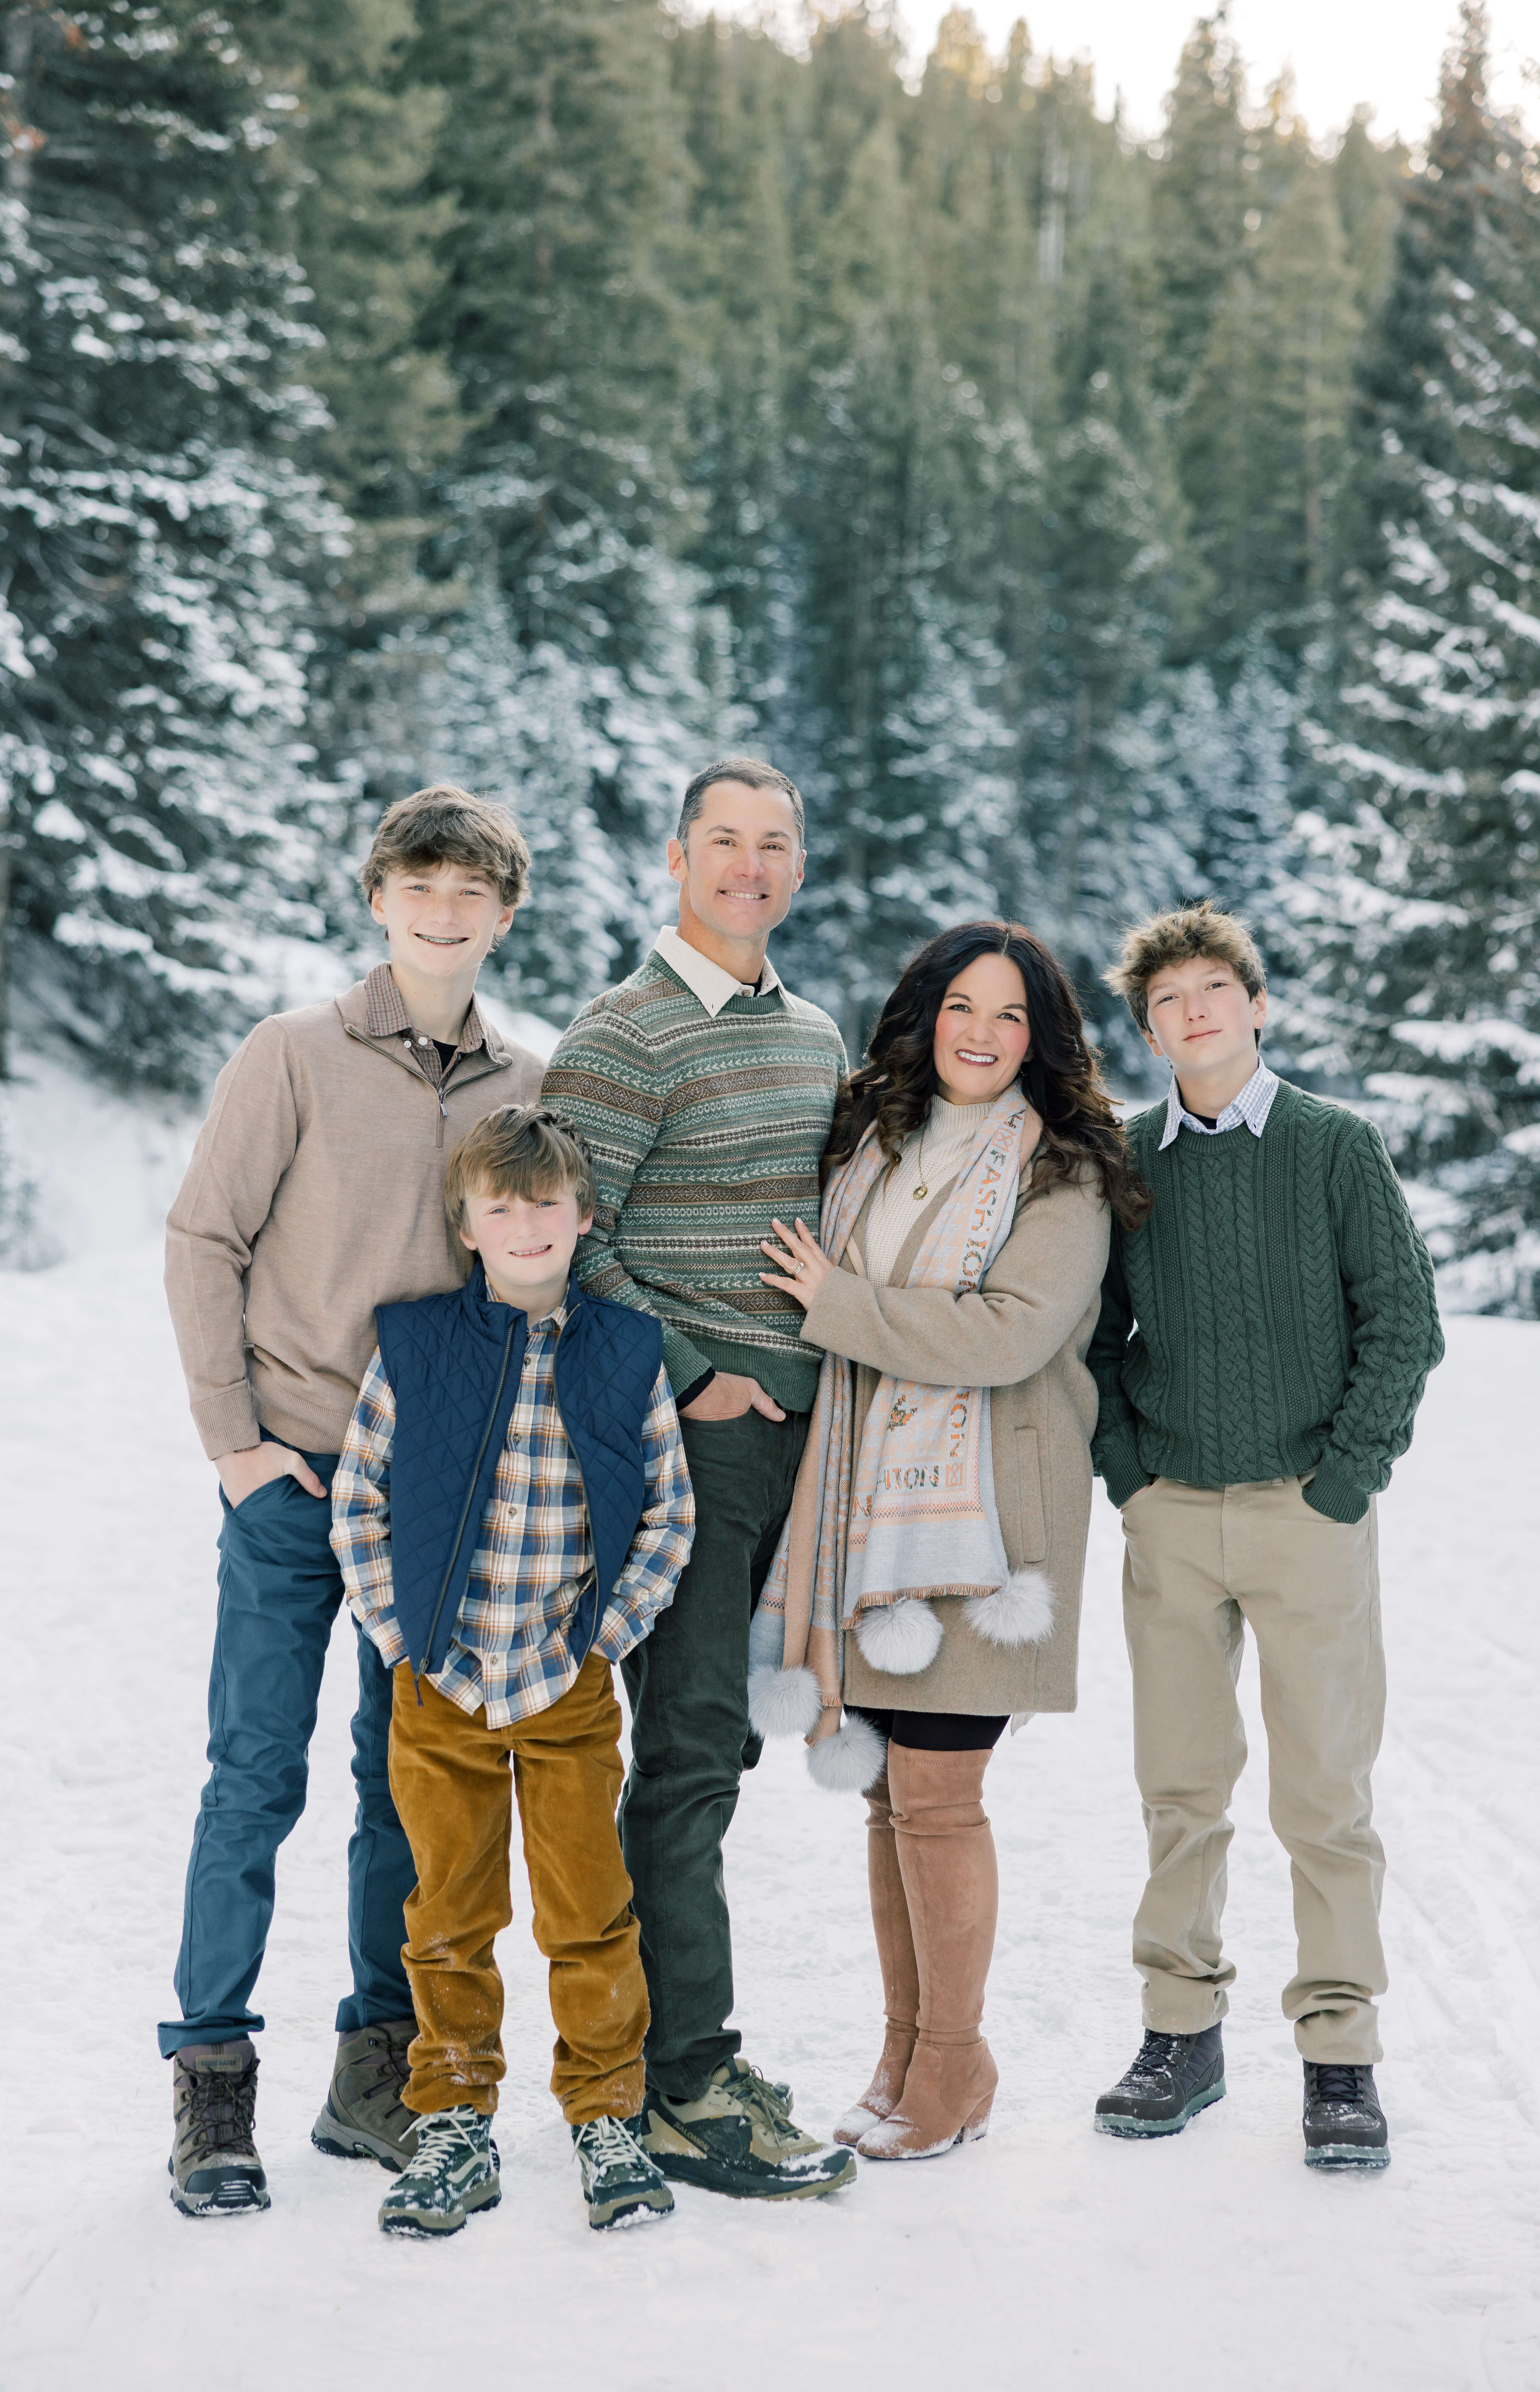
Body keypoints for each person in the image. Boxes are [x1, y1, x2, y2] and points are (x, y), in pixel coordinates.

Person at [160, 784, 545, 2217]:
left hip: (432, 1492)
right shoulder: (295, 1056)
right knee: (251, 1774)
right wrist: (234, 1441)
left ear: (505, 918)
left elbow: (532, 1266)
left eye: (472, 896)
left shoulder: (526, 1083)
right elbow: (204, 1237)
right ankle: (211, 2083)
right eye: (419, 889)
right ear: (378, 899)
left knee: (414, 1790)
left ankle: (373, 2071)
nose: (444, 915)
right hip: (292, 1467)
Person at [752, 920, 1145, 2160]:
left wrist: (840, 1306)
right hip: (870, 1509)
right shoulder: (874, 1141)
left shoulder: (1060, 1173)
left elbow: (1008, 1334)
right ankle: (904, 2049)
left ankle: (953, 2065)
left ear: (1041, 1040)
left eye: (1009, 1016)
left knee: (933, 1790)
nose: (980, 1034)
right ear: (922, 1017)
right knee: (885, 1793)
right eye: (959, 1008)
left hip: (989, 1523)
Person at [541, 757, 856, 2201]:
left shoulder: (811, 1032)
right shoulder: (619, 1034)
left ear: (798, 867)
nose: (749, 865)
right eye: (722, 841)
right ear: (675, 861)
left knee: (718, 1750)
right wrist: (688, 1375)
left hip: (802, 1441)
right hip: (691, 1445)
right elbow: (561, 1242)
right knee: (682, 1755)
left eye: (773, 844)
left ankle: (681, 2051)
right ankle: (678, 2084)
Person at [1087, 899, 1443, 2171]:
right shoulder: (1125, 1159)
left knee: (1323, 1796)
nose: (1191, 1017)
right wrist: (1127, 1475)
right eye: (1164, 1006)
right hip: (1172, 1518)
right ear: (1144, 1033)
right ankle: (1178, 2032)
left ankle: (1338, 2052)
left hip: (1307, 1515)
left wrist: (1344, 1481)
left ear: (1253, 1004)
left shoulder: (1333, 1147)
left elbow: (1401, 1320)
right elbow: (1094, 1336)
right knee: (1179, 1787)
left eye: (1210, 994)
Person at [331, 1106, 694, 2236]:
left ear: (584, 1218)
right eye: (504, 1207)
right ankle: (452, 2117)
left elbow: (669, 1518)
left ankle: (604, 2112)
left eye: (548, 1205)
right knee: (447, 1909)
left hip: (565, 1685)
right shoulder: (418, 1346)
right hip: (440, 1682)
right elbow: (360, 1503)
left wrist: (602, 1640)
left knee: (590, 1911)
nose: (528, 1225)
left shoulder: (627, 1352)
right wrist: (402, 1644)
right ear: (469, 1223)